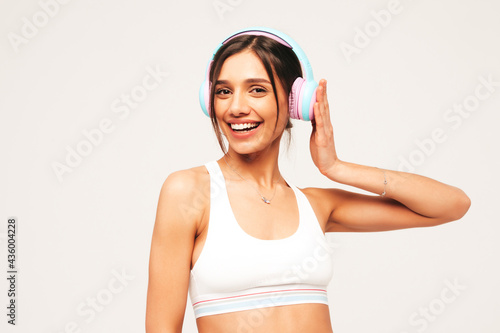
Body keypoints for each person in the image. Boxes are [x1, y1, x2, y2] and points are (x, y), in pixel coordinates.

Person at [145, 27, 471, 333]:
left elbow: (452, 205)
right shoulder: (189, 192)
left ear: (294, 102)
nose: (236, 107)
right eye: (223, 91)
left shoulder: (316, 205)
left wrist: (337, 167)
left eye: (257, 89)